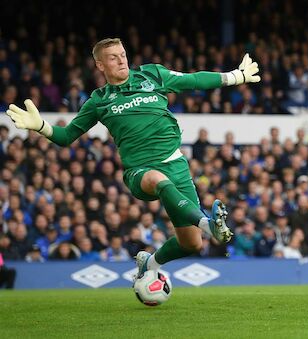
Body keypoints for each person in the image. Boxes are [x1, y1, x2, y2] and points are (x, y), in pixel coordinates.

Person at [6, 38, 260, 280]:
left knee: (191, 243)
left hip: (176, 166)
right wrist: (40, 125)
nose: (121, 60)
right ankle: (208, 223)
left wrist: (237, 76)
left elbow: (194, 79)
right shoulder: (99, 100)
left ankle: (150, 263)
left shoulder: (152, 75)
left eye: (123, 55)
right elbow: (66, 136)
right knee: (158, 180)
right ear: (100, 65)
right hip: (140, 172)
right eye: (113, 58)